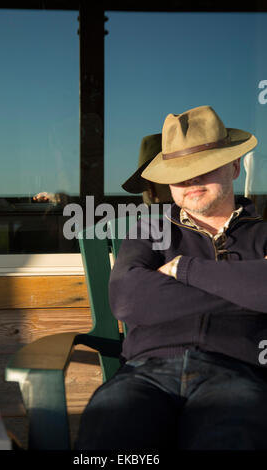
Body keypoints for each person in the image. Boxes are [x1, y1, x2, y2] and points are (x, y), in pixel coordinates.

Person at [75, 105, 267, 450]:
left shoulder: (263, 235)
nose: (191, 180)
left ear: (234, 166)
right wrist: (248, 288)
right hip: (145, 373)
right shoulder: (150, 230)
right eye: (179, 172)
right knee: (110, 432)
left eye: (204, 168)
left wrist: (184, 269)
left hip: (239, 374)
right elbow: (128, 299)